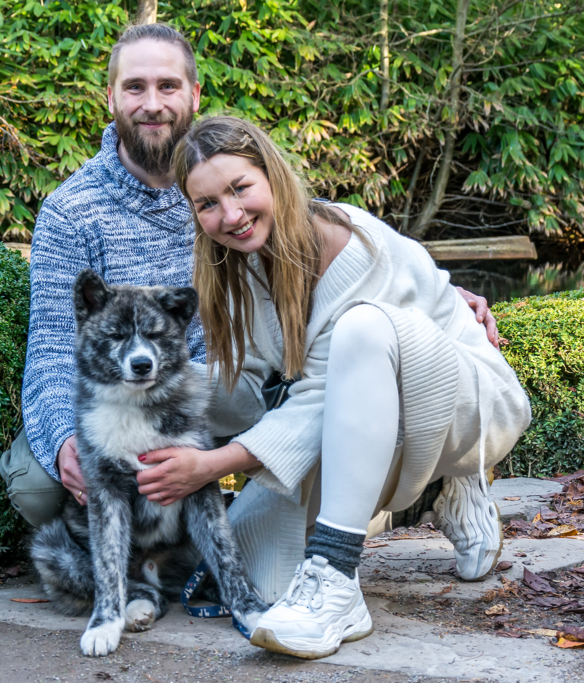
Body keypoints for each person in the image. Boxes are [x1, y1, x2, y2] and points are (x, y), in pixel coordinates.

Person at [1, 23, 502, 535]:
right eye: (135, 87)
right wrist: (67, 437)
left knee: (322, 413)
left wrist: (436, 297)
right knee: (39, 490)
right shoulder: (71, 211)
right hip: (138, 399)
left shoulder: (227, 174)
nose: (152, 103)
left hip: (242, 390)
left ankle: (427, 486)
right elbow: (54, 347)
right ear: (110, 97)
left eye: (168, 86)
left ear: (194, 94)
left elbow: (318, 233)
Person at [131, 116, 531, 659]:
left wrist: (211, 465)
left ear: (272, 175)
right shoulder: (236, 267)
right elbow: (248, 387)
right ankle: (422, 496)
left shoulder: (347, 245)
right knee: (265, 583)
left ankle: (345, 568)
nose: (230, 215)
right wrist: (144, 396)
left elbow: (316, 400)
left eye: (240, 188)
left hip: (468, 402)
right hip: (362, 416)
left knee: (361, 329)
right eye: (206, 204)